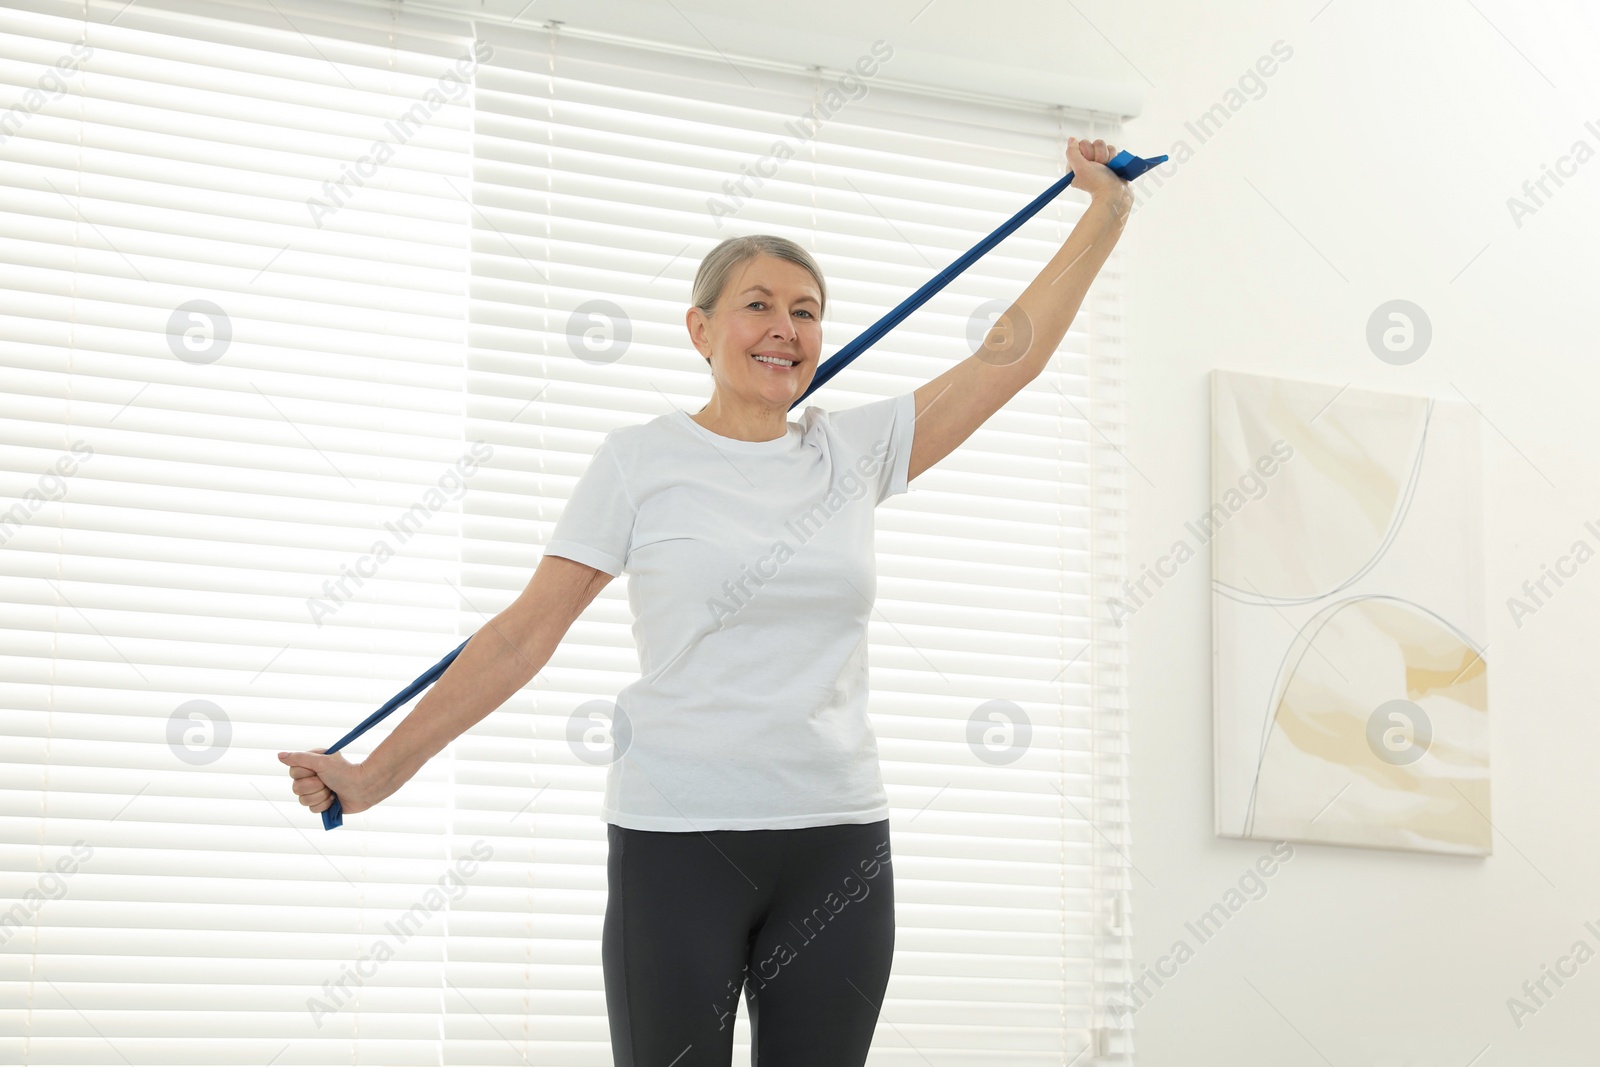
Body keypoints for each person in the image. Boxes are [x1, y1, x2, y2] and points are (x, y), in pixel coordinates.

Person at [279, 135, 1133, 1066]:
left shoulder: (854, 451)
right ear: (700, 328)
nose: (785, 328)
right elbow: (523, 636)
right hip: (677, 838)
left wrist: (1105, 212)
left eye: (806, 312)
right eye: (757, 305)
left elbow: (1009, 357)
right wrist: (378, 773)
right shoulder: (640, 464)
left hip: (837, 839)